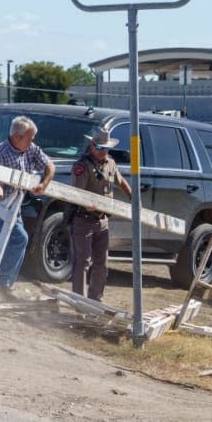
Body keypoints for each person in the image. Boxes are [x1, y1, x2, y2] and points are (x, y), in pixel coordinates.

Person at [0, 115, 55, 302]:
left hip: (14, 208)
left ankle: (5, 285)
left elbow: (49, 165)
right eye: (29, 138)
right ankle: (0, 286)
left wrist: (43, 184)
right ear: (17, 137)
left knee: (18, 241)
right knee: (20, 239)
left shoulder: (30, 149)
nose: (32, 141)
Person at [70, 127, 132, 302]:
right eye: (99, 147)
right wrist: (86, 204)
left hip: (102, 221)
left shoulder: (110, 163)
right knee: (82, 262)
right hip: (84, 220)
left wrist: (133, 197)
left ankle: (96, 300)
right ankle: (80, 303)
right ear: (91, 145)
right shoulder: (82, 166)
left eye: (106, 148)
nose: (103, 151)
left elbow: (120, 181)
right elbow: (76, 193)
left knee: (102, 265)